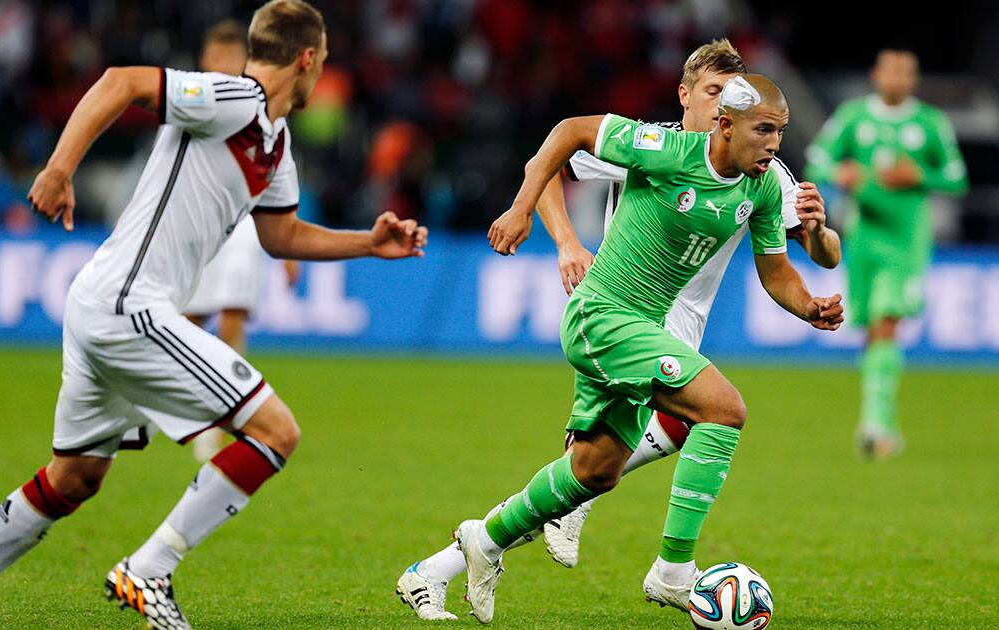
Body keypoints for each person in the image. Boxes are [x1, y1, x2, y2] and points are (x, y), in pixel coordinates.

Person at [0, 2, 427, 629]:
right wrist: (60, 167)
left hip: (108, 305)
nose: (322, 73)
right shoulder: (232, 98)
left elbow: (282, 236)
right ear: (307, 59)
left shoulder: (275, 145)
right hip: (129, 303)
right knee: (276, 432)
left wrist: (368, 242)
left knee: (74, 479)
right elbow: (121, 81)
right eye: (324, 60)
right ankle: (149, 570)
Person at [397, 40, 841, 622]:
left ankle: (472, 548)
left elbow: (778, 271)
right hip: (603, 318)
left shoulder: (761, 185)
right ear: (723, 120)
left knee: (593, 471)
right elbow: (567, 133)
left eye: (779, 132)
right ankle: (674, 572)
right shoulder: (662, 147)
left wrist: (809, 306)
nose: (775, 144)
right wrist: (528, 212)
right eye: (764, 130)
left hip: (655, 327)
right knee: (722, 411)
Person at [805, 48, 967, 458]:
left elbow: (956, 176)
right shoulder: (854, 117)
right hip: (862, 238)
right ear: (877, 75)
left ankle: (875, 425)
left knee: (886, 320)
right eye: (890, 71)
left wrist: (920, 175)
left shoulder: (930, 123)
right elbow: (817, 158)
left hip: (905, 241)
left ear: (913, 80)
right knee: (872, 328)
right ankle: (878, 416)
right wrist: (839, 172)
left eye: (905, 73)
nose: (897, 79)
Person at [184, 19, 301, 463]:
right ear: (205, 61)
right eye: (218, 57)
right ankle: (196, 407)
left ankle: (223, 411)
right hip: (199, 228)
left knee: (233, 317)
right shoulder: (194, 102)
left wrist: (289, 249)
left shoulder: (265, 111)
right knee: (190, 323)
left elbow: (279, 177)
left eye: (233, 57)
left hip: (246, 229)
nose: (226, 65)